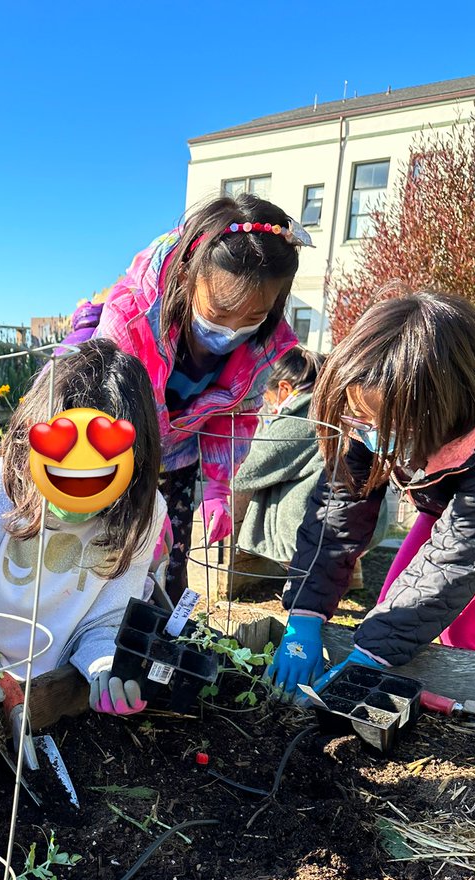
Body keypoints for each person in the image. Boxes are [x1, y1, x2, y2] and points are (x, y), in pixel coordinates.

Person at [0, 339, 169, 724]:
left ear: (135, 463)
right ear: (30, 440)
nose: (79, 495)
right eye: (64, 467)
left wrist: (104, 664)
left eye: (100, 475)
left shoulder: (141, 509)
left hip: (50, 694)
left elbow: (107, 621)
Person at [62, 195, 313, 600]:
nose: (231, 331)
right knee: (108, 561)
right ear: (186, 278)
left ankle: (162, 638)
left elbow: (235, 415)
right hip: (113, 448)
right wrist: (136, 494)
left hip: (178, 452)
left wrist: (217, 488)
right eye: (219, 310)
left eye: (252, 317)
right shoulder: (132, 318)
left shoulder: (263, 347)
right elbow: (108, 414)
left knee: (169, 567)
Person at [268, 292, 475, 696]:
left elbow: (460, 553)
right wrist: (305, 612)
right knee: (397, 604)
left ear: (437, 410)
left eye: (384, 426)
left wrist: (370, 658)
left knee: (464, 625)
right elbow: (340, 507)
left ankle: (467, 699)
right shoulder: (372, 396)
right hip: (444, 501)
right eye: (358, 418)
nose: (366, 432)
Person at [234, 347, 390, 572]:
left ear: (284, 388)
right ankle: (349, 572)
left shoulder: (302, 413)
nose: (266, 405)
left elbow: (250, 470)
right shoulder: (338, 404)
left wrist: (218, 475)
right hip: (366, 518)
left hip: (314, 522)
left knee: (306, 575)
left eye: (266, 398)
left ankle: (302, 584)